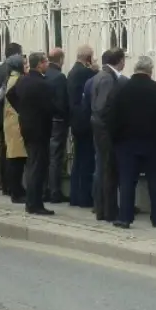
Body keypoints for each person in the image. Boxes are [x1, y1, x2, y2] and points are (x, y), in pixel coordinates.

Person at [111, 55, 156, 229]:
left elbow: (112, 116)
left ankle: (125, 217)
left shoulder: (122, 90)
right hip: (153, 141)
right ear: (150, 70)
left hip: (126, 143)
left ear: (135, 70)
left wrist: (116, 138)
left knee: (126, 181)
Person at [6, 52, 57, 216]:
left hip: (26, 126)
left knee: (32, 163)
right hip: (40, 128)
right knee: (38, 166)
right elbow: (50, 107)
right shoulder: (43, 84)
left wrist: (22, 110)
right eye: (46, 62)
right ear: (40, 64)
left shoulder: (23, 80)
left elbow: (10, 95)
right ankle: (35, 203)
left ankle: (32, 201)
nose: (47, 65)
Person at [90, 48, 127, 223]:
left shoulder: (100, 75)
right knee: (108, 170)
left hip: (99, 128)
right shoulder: (107, 78)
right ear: (119, 61)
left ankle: (102, 208)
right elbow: (102, 107)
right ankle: (108, 210)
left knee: (104, 168)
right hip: (104, 130)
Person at [66, 46, 97, 207]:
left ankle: (75, 196)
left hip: (75, 121)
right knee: (86, 160)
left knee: (78, 160)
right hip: (84, 122)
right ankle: (84, 197)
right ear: (89, 58)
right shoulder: (85, 73)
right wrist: (96, 70)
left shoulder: (73, 71)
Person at [0, 43, 24, 195]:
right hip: (11, 117)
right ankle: (11, 186)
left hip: (0, 115)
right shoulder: (16, 77)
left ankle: (5, 183)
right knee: (12, 152)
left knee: (4, 150)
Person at [0, 53, 28, 202]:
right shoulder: (17, 80)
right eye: (24, 63)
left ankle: (14, 188)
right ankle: (16, 191)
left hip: (10, 122)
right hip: (16, 123)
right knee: (17, 158)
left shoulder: (9, 79)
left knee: (13, 156)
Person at [44, 47, 70, 204]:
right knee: (55, 157)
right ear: (61, 60)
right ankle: (55, 191)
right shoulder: (60, 77)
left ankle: (45, 189)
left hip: (45, 121)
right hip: (58, 121)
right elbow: (62, 102)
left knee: (45, 156)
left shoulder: (44, 74)